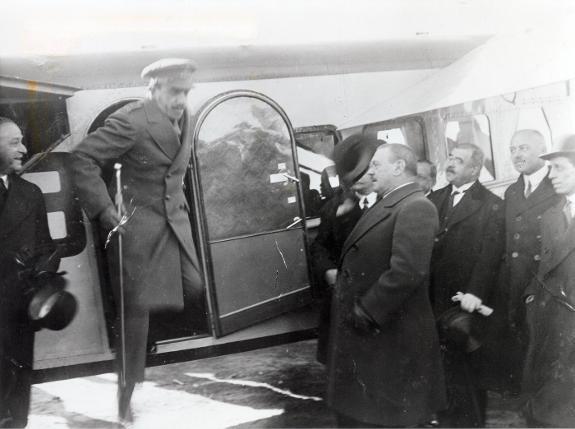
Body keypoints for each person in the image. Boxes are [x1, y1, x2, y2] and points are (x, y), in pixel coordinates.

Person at [71, 59, 204, 421]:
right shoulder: (131, 121)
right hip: (139, 230)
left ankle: (148, 339)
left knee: (194, 286)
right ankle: (124, 396)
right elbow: (82, 157)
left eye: (185, 92)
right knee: (135, 316)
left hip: (175, 223)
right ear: (154, 89)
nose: (181, 100)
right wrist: (103, 208)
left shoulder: (188, 117)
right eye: (174, 92)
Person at [326, 142, 446, 428]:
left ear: (399, 167)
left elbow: (407, 271)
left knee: (383, 417)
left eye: (377, 165)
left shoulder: (416, 206)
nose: (370, 172)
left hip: (387, 336)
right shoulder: (390, 203)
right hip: (377, 337)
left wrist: (366, 311)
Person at [428, 143, 504, 427]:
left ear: (474, 169)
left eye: (458, 160)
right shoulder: (434, 199)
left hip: (464, 303)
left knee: (468, 377)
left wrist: (475, 293)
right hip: (433, 301)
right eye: (450, 157)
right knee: (441, 375)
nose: (450, 163)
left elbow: (490, 255)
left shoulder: (492, 205)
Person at [0, 118, 59, 428]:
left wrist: (45, 281)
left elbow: (45, 248)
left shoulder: (30, 193)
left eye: (22, 140)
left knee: (18, 389)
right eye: (14, 142)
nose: (24, 149)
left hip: (20, 308)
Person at [496, 130, 559, 392]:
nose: (516, 155)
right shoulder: (512, 191)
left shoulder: (558, 186)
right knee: (521, 336)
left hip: (545, 281)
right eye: (512, 149)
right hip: (516, 279)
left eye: (523, 148)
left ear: (542, 150)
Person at [310, 134, 381, 364]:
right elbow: (320, 245)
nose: (355, 177)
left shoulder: (392, 204)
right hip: (342, 296)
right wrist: (327, 270)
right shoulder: (333, 207)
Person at [521, 135, 575, 428]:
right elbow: (543, 268)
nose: (551, 175)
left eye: (559, 168)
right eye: (550, 168)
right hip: (551, 322)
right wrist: (531, 298)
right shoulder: (552, 215)